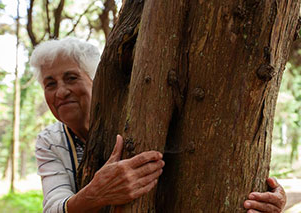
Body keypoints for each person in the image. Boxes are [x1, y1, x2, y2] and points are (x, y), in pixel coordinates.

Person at [30, 37, 286, 213]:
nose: (61, 91)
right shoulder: (51, 140)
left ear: (97, 81)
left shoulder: (141, 118)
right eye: (50, 83)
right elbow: (54, 206)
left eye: (71, 77)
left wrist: (270, 195)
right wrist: (97, 193)